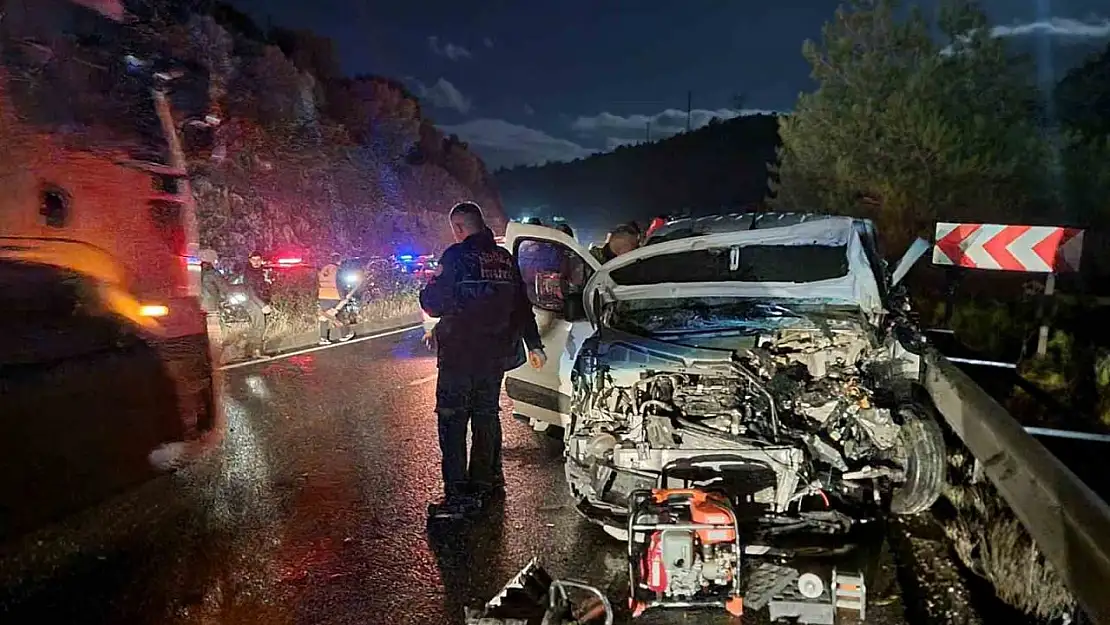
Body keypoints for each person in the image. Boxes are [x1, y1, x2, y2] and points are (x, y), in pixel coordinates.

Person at [420, 201, 547, 518]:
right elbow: (521, 306)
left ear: (459, 228)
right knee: (486, 416)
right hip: (494, 356)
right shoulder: (504, 259)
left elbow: (434, 305)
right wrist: (534, 344)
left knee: (452, 421)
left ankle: (457, 495)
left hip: (460, 355)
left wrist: (429, 284)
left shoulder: (456, 257)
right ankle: (487, 481)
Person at [317, 253, 353, 344]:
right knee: (339, 313)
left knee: (324, 316)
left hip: (323, 295)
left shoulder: (324, 269)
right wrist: (343, 297)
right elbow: (339, 284)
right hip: (334, 295)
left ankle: (323, 338)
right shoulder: (337, 270)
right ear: (338, 261)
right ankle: (344, 334)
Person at [242, 251, 272, 358]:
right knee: (259, 325)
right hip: (253, 301)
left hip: (256, 300)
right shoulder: (250, 273)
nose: (256, 262)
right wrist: (262, 305)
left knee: (256, 325)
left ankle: (249, 350)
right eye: (253, 260)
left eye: (258, 260)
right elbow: (251, 291)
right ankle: (257, 351)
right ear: (250, 260)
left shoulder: (259, 271)